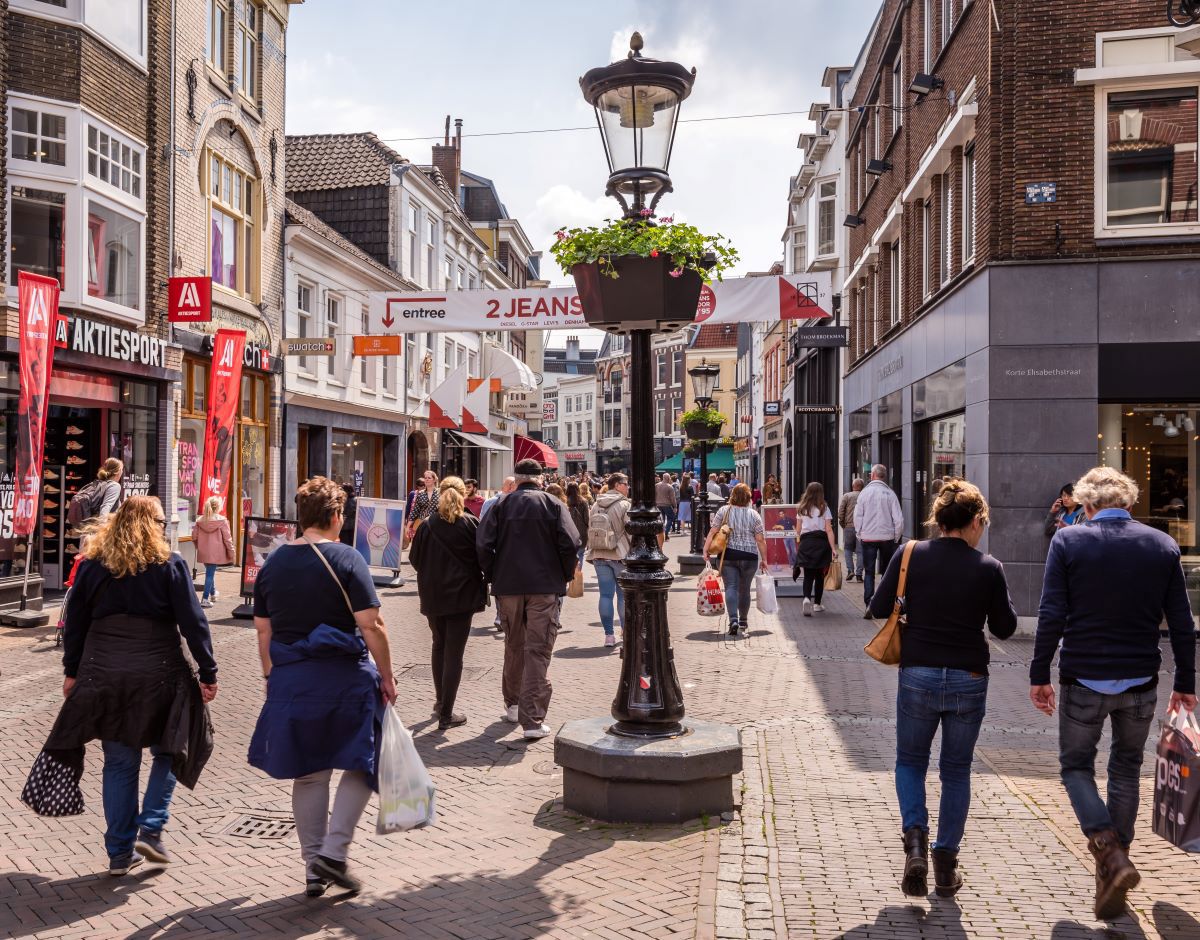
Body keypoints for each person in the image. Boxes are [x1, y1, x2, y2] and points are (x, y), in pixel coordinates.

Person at [1030, 466, 1196, 921]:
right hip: (1141, 680)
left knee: (1075, 766)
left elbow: (1051, 612)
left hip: (1083, 676)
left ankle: (1108, 852)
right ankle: (1115, 863)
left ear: (1085, 505)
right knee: (1126, 768)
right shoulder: (1160, 545)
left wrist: (1039, 672)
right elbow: (1181, 621)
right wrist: (1185, 683)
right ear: (1129, 503)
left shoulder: (1068, 541)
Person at [51, 496, 218, 876]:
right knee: (171, 750)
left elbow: (74, 623)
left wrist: (72, 670)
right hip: (161, 674)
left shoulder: (93, 568)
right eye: (161, 522)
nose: (164, 527)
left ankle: (119, 853)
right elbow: (194, 624)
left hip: (107, 674)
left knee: (120, 763)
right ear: (149, 525)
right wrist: (208, 672)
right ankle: (153, 829)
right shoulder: (170, 566)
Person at [248, 476, 396, 897]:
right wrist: (387, 676)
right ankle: (334, 851)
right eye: (343, 514)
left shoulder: (272, 563)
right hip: (343, 678)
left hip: (292, 679)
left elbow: (263, 630)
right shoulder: (348, 559)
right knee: (363, 764)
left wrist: (269, 677)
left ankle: (314, 866)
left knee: (310, 775)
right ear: (333, 517)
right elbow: (372, 624)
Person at [869, 480, 1017, 899]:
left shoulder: (910, 553)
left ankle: (914, 840)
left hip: (918, 672)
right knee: (956, 770)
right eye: (982, 523)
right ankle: (946, 865)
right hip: (969, 677)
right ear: (973, 522)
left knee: (910, 762)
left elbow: (879, 607)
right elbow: (1004, 627)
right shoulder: (988, 567)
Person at [477, 458, 580, 739]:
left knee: (514, 644)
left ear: (517, 478)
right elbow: (571, 542)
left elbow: (483, 544)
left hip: (508, 586)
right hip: (543, 587)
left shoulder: (500, 504)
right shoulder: (553, 504)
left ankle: (512, 704)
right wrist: (562, 574)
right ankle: (532, 719)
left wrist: (492, 574)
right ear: (541, 478)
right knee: (537, 648)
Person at [409, 477, 487, 731]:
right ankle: (446, 713)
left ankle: (440, 701)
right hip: (462, 598)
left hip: (433, 595)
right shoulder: (470, 523)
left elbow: (414, 559)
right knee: (455, 653)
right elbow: (483, 558)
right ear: (463, 495)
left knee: (439, 646)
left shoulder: (427, 526)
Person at [703, 483, 768, 637]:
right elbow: (760, 540)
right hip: (749, 556)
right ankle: (743, 621)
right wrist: (764, 559)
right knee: (745, 589)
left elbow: (713, 531)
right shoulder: (754, 515)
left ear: (732, 496)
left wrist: (706, 550)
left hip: (728, 555)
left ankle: (733, 620)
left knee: (731, 587)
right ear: (748, 498)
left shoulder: (724, 511)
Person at [586, 473, 631, 647]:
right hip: (619, 554)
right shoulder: (624, 504)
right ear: (618, 485)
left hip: (599, 553)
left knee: (605, 595)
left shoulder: (596, 504)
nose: (628, 487)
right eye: (626, 484)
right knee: (623, 596)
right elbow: (631, 530)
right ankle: (626, 632)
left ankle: (609, 636)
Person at [854, 464, 904, 615]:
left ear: (872, 475)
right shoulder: (890, 494)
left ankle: (869, 604)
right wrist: (896, 537)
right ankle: (883, 604)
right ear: (884, 476)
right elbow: (899, 519)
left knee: (869, 572)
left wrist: (859, 533)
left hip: (868, 537)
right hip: (887, 537)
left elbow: (858, 516)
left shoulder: (864, 493)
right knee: (887, 571)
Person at [791, 482, 838, 616]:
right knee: (819, 575)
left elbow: (798, 531)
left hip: (806, 543)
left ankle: (806, 598)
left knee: (808, 574)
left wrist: (797, 542)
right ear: (820, 493)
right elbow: (829, 530)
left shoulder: (802, 508)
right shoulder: (824, 508)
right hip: (821, 544)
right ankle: (817, 604)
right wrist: (833, 548)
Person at [194, 496, 234, 608]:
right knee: (210, 574)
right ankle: (205, 599)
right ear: (218, 507)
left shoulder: (200, 521)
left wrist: (199, 547)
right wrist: (231, 551)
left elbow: (194, 536)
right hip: (216, 552)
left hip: (204, 551)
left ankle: (213, 593)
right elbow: (227, 538)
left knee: (209, 572)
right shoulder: (222, 521)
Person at [838, 479, 865, 582]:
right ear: (862, 487)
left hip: (848, 526)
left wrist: (843, 525)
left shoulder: (847, 496)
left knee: (848, 549)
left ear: (853, 486)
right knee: (860, 551)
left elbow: (841, 512)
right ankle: (859, 575)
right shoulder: (864, 496)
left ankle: (850, 570)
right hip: (861, 528)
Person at [405, 470, 439, 541]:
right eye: (425, 478)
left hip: (436, 525)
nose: (426, 479)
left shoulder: (440, 493)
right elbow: (415, 511)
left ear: (434, 480)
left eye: (429, 478)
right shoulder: (420, 493)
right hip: (421, 524)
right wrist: (407, 527)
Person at [566, 482, 590, 573]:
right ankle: (577, 575)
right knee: (580, 554)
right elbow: (587, 518)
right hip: (582, 532)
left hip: (569, 531)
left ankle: (571, 573)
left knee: (570, 554)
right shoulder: (583, 501)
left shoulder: (566, 501)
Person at [655, 472, 678, 542]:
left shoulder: (656, 485)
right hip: (667, 505)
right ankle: (666, 532)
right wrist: (675, 507)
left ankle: (660, 534)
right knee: (671, 518)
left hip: (658, 505)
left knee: (661, 520)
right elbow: (672, 498)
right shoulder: (669, 486)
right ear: (668, 478)